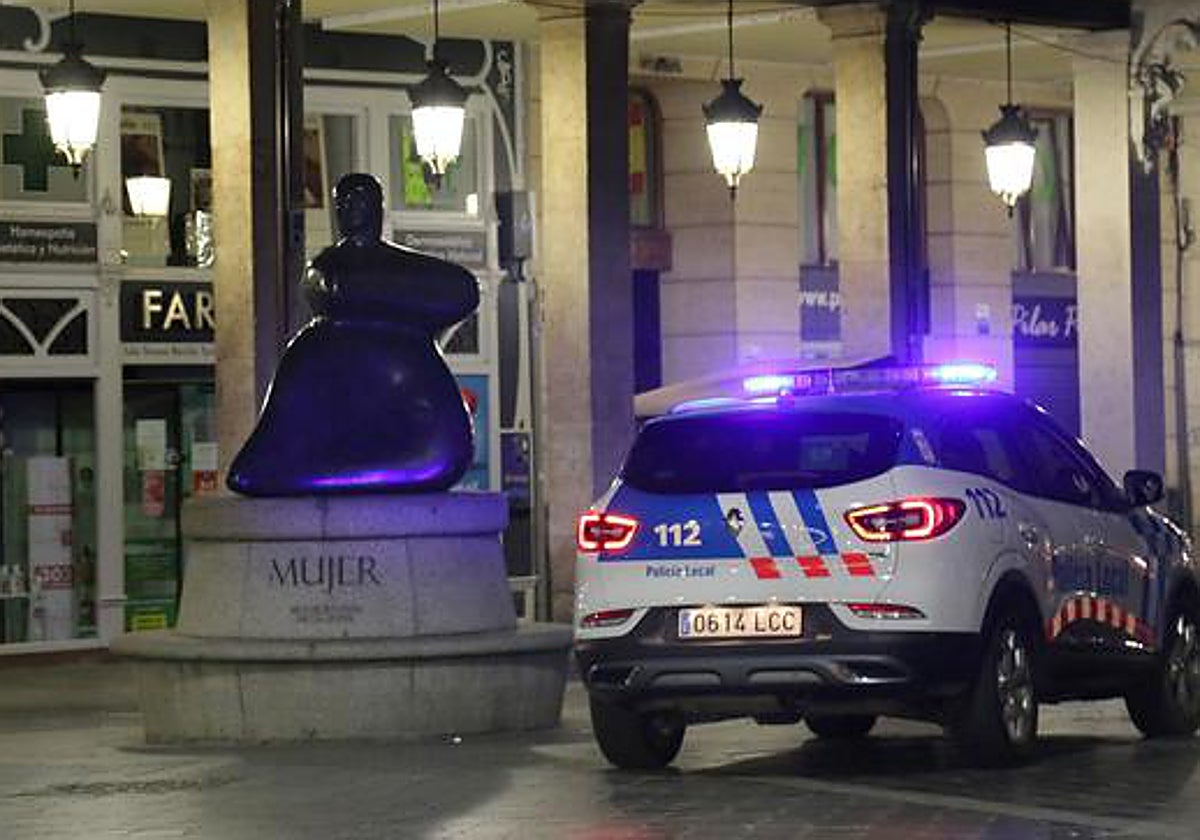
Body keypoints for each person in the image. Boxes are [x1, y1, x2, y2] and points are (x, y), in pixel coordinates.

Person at [227, 173, 479, 496]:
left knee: (440, 458)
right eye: (342, 203)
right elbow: (326, 287)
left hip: (425, 433)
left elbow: (464, 292)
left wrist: (366, 287)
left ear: (378, 208)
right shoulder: (316, 331)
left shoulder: (389, 290)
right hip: (386, 420)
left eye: (359, 201)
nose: (349, 209)